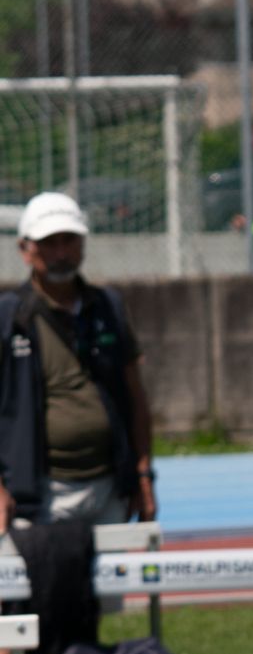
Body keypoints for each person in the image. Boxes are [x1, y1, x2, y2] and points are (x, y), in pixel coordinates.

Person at [0, 193, 155, 531]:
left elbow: (136, 398)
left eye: (69, 240)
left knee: (113, 567)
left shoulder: (110, 306)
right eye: (48, 243)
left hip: (111, 489)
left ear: (83, 244)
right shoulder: (8, 316)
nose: (61, 253)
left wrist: (143, 476)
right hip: (39, 494)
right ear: (24, 249)